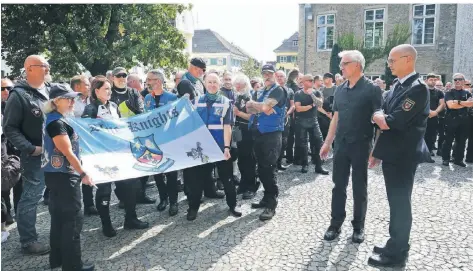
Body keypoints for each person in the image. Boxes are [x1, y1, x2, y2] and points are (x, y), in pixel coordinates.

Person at [369, 44, 430, 267]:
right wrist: (377, 152)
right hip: (392, 154)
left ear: (407, 60)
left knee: (400, 203)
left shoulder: (417, 88)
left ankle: (398, 253)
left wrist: (378, 115)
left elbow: (390, 121)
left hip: (403, 156)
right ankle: (394, 242)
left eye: (392, 60)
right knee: (395, 202)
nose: (389, 64)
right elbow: (382, 118)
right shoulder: (397, 85)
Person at [320, 50, 382, 244]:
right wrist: (327, 142)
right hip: (341, 145)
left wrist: (377, 150)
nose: (341, 67)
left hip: (361, 145)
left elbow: (380, 121)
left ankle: (358, 226)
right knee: (338, 185)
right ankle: (335, 223)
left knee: (359, 187)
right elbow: (336, 117)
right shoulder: (340, 89)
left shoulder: (372, 89)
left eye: (345, 63)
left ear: (357, 65)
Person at [82, 76, 149, 237]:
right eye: (106, 89)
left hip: (119, 153)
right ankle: (106, 224)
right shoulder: (90, 109)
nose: (109, 92)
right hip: (101, 156)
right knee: (104, 190)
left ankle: (131, 218)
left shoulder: (113, 106)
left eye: (109, 89)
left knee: (130, 185)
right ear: (96, 91)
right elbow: (87, 133)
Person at [41, 84, 95, 271]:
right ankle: (73, 265)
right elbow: (68, 153)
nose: (73, 102)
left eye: (73, 98)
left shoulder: (55, 119)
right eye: (68, 98)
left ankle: (57, 261)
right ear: (56, 101)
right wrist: (83, 173)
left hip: (55, 176)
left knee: (58, 219)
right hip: (65, 176)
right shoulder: (57, 123)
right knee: (72, 221)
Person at [2, 55, 52, 255]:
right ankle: (28, 241)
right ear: (30, 68)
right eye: (43, 65)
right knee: (31, 197)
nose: (48, 68)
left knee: (57, 192)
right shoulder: (19, 95)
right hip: (35, 156)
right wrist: (31, 148)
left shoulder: (50, 90)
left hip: (57, 152)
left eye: (48, 65)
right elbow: (10, 128)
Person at [187, 72, 241, 221]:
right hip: (201, 148)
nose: (212, 85)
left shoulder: (225, 102)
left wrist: (226, 148)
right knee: (196, 180)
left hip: (219, 147)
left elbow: (227, 126)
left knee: (227, 178)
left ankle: (232, 205)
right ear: (204, 83)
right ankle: (193, 207)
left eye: (215, 82)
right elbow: (189, 124)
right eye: (209, 82)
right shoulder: (196, 101)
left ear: (219, 84)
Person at [110, 67, 155, 205]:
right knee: (121, 169)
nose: (122, 78)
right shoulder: (109, 94)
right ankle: (123, 198)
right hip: (117, 138)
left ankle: (140, 194)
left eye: (124, 75)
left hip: (135, 134)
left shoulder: (133, 92)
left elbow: (140, 111)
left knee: (141, 164)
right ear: (113, 78)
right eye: (119, 76)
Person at [247, 64, 286, 221]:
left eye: (270, 73)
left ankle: (271, 203)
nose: (267, 76)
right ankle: (266, 197)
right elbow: (250, 109)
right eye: (265, 73)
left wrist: (256, 105)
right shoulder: (260, 91)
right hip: (258, 132)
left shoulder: (278, 90)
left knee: (269, 169)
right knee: (261, 168)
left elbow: (262, 107)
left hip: (272, 134)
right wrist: (257, 106)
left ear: (275, 74)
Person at [143, 70, 179, 216]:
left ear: (158, 81)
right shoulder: (147, 97)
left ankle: (174, 201)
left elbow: (176, 119)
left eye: (149, 80)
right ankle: (163, 198)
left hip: (169, 141)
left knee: (171, 173)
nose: (147, 83)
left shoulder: (172, 97)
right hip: (153, 142)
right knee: (158, 173)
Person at [70, 75, 97, 216]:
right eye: (87, 85)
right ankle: (78, 206)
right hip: (76, 142)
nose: (89, 87)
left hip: (91, 141)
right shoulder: (70, 103)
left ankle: (90, 204)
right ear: (77, 87)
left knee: (90, 170)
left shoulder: (92, 100)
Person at [294, 74, 328, 174]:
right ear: (303, 82)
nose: (311, 82)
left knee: (318, 142)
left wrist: (312, 95)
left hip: (313, 121)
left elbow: (320, 104)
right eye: (309, 80)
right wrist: (312, 105)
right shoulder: (298, 93)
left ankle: (319, 166)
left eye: (312, 80)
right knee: (303, 144)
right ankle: (305, 165)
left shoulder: (317, 92)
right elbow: (298, 109)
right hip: (301, 121)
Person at [233, 74, 259, 199]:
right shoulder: (239, 96)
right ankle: (243, 183)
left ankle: (251, 186)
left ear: (244, 85)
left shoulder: (250, 98)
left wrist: (238, 113)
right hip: (240, 131)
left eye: (238, 83)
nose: (236, 86)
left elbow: (252, 117)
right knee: (242, 160)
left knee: (249, 160)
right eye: (236, 83)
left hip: (249, 132)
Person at [441, 73, 473, 167]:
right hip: (451, 119)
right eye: (455, 80)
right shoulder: (449, 92)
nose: (457, 81)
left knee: (461, 141)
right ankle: (446, 159)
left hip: (464, 120)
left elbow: (471, 104)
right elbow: (451, 105)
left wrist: (457, 102)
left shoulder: (467, 93)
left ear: (463, 81)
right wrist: (465, 103)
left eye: (459, 79)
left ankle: (458, 160)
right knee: (448, 140)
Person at [274, 71, 294, 171]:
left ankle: (279, 163)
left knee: (283, 142)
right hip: (274, 120)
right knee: (274, 142)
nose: (279, 78)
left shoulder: (290, 91)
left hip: (285, 120)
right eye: (277, 76)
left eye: (282, 76)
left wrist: (287, 113)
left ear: (285, 78)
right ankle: (273, 164)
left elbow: (293, 105)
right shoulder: (272, 90)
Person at [422, 73, 445, 161]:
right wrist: (427, 111)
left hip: (434, 116)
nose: (433, 81)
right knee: (421, 134)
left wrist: (435, 112)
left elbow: (442, 104)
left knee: (432, 135)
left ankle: (429, 152)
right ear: (426, 80)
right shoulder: (422, 90)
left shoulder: (439, 92)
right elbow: (419, 103)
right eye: (431, 80)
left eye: (435, 80)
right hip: (422, 116)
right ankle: (420, 153)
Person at [285, 69, 300, 164]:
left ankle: (289, 157)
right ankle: (295, 158)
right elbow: (295, 101)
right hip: (294, 114)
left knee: (288, 136)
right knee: (295, 136)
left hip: (287, 113)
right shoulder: (295, 87)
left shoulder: (286, 86)